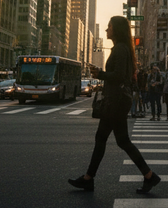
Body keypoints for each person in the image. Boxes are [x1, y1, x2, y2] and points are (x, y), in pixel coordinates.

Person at [68, 16, 160, 194]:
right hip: (117, 100)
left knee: (110, 139)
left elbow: (118, 76)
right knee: (115, 140)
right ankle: (148, 176)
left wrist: (100, 73)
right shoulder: (122, 48)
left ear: (116, 29)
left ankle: (90, 178)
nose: (106, 30)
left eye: (109, 26)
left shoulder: (120, 49)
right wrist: (101, 73)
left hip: (116, 101)